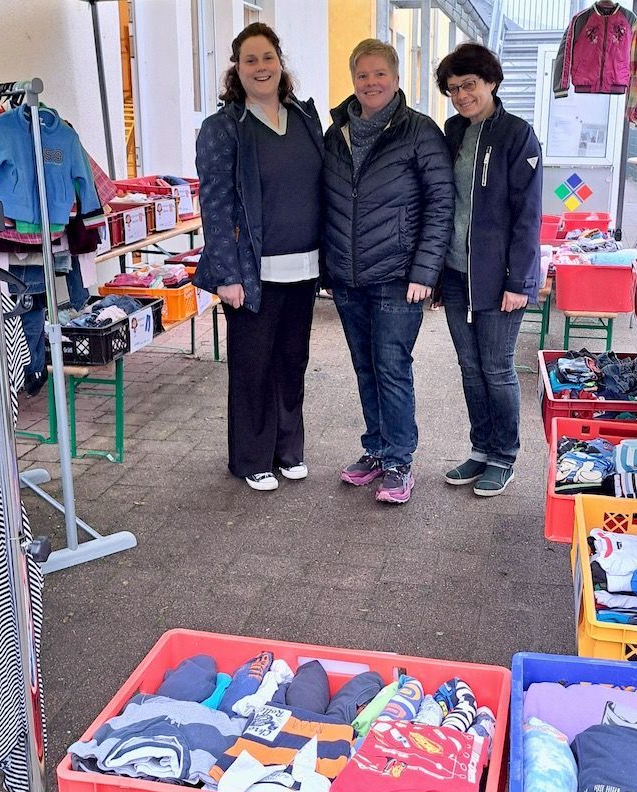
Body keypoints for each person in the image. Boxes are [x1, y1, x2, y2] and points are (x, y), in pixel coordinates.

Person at [193, 23, 324, 492]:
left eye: (267, 57)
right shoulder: (223, 128)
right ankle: (251, 458)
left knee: (292, 361)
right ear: (237, 68)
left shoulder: (305, 118)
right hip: (251, 275)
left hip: (304, 268)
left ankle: (288, 450)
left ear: (280, 62)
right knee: (253, 368)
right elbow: (215, 206)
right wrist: (226, 275)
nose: (261, 67)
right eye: (250, 60)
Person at [323, 39, 454, 504]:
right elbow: (327, 200)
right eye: (362, 75)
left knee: (391, 367)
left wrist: (425, 271)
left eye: (380, 73)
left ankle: (399, 461)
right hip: (348, 276)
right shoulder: (336, 131)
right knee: (365, 367)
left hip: (399, 277)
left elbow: (441, 204)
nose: (371, 82)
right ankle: (376, 450)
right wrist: (328, 268)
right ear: (353, 80)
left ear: (396, 79)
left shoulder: (419, 131)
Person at [434, 42, 542, 497]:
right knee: (469, 367)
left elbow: (528, 215)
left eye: (469, 85)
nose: (461, 96)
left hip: (500, 279)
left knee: (496, 369)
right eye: (453, 89)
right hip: (456, 273)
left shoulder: (518, 134)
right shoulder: (453, 131)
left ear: (491, 82)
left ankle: (504, 456)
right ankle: (480, 449)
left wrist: (519, 281)